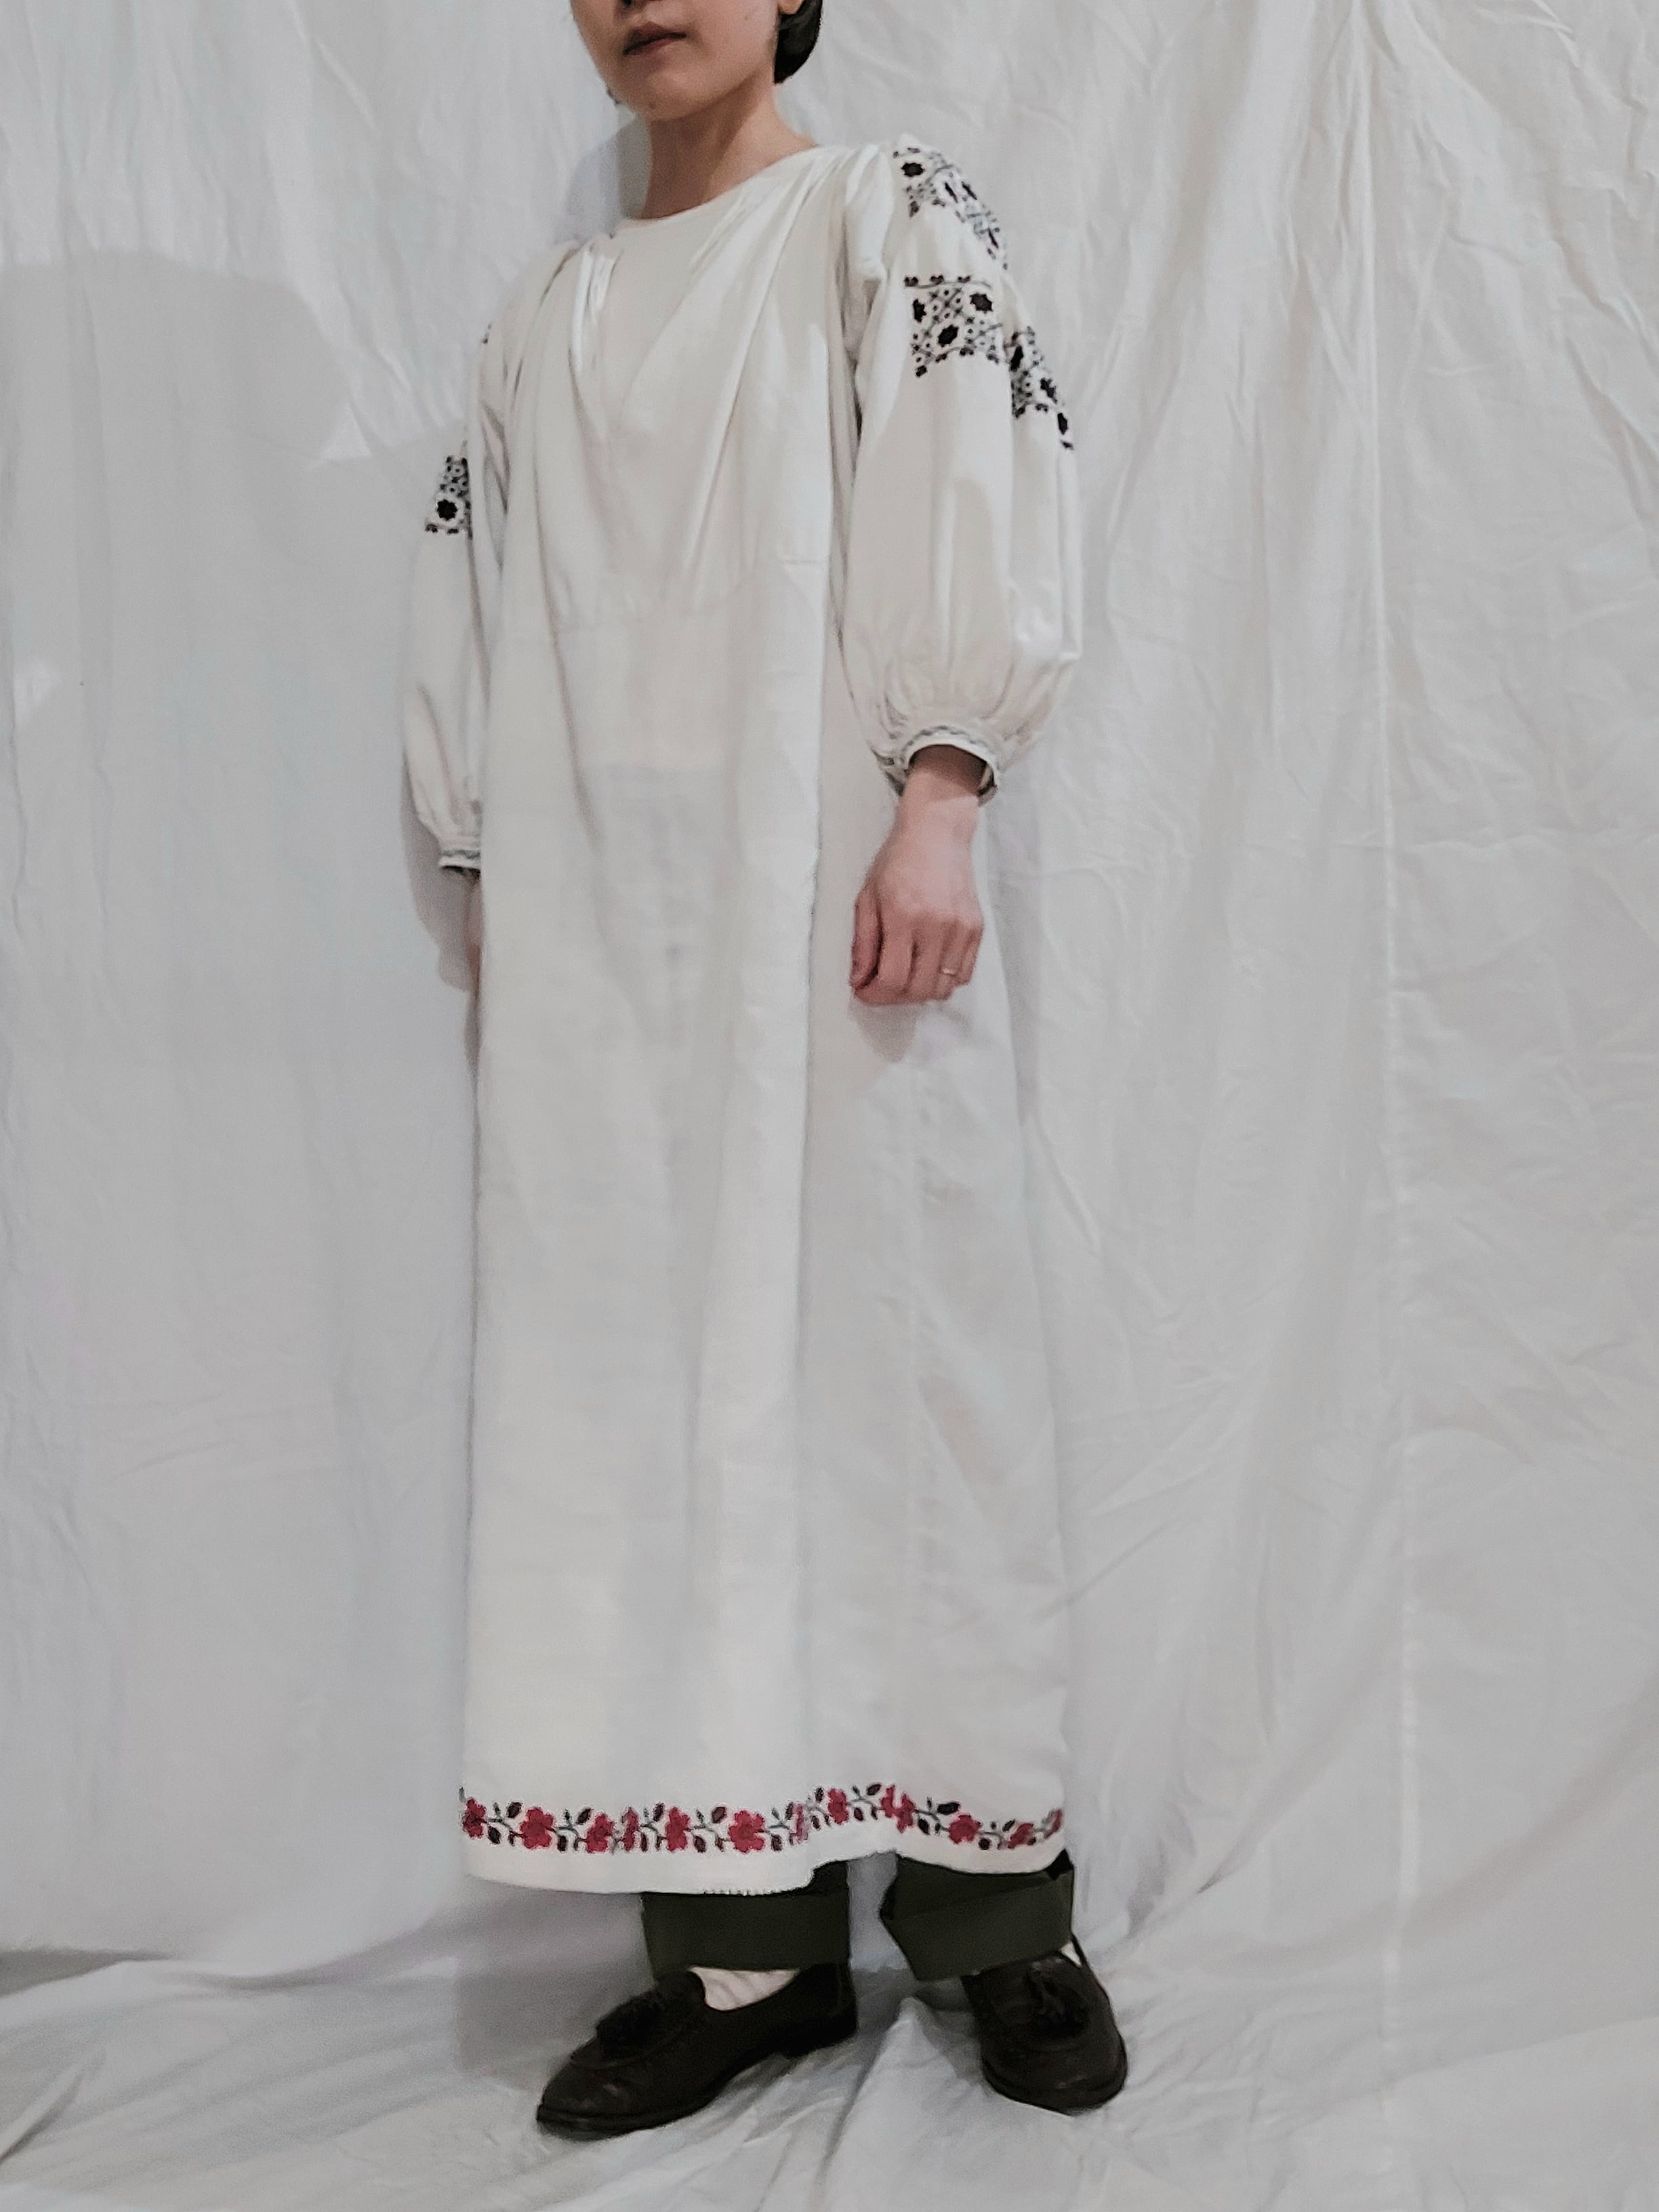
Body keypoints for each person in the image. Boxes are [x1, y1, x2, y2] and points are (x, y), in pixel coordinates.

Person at [403, 0, 1127, 2135]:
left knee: (913, 1383)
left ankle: (995, 1917)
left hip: (840, 914)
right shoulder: (543, 320)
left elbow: (977, 484)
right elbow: (479, 610)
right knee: (656, 1424)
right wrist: (495, 872)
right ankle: (744, 1952)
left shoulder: (881, 223)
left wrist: (943, 789)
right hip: (608, 964)